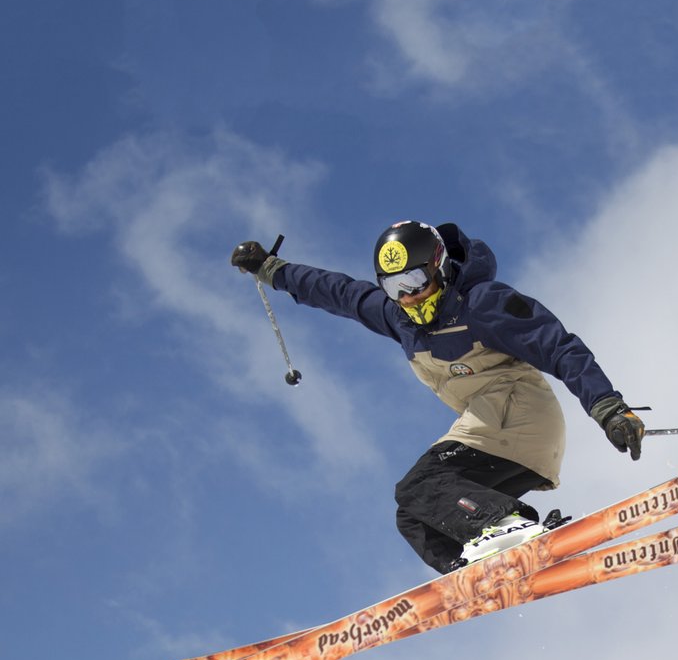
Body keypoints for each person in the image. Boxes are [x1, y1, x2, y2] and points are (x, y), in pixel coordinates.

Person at [231, 221, 644, 573]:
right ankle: (478, 567)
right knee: (415, 516)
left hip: (517, 416)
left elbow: (558, 346)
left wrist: (607, 408)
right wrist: (271, 269)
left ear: (440, 268)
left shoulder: (481, 304)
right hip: (495, 430)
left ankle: (507, 525)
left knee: (420, 485)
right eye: (394, 287)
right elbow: (339, 292)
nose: (408, 297)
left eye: (414, 281)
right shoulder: (400, 319)